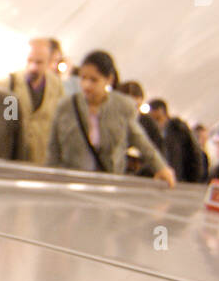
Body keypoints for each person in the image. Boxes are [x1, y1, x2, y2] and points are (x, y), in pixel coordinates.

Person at [46, 49, 175, 186]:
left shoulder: (122, 107)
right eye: (83, 78)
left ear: (109, 80)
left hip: (108, 184)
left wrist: (161, 167)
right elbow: (53, 148)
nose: (86, 85)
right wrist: (50, 180)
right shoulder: (66, 106)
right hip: (71, 184)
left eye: (94, 80)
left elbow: (140, 140)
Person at [0, 37, 63, 163]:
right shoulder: (8, 85)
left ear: (49, 62)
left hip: (43, 160)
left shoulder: (57, 87)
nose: (33, 67)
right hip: (14, 160)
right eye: (30, 61)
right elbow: (4, 125)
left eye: (39, 62)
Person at [147, 98, 206, 183]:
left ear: (160, 111)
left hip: (179, 181)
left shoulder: (175, 131)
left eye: (157, 119)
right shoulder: (165, 132)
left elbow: (175, 161)